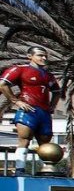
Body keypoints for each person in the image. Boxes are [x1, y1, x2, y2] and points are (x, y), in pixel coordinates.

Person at [0, 47, 60, 176]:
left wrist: (52, 106)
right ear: (29, 56)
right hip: (28, 109)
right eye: (40, 55)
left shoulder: (48, 75)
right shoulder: (20, 69)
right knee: (24, 139)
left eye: (45, 56)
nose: (43, 58)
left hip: (43, 112)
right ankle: (20, 169)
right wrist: (16, 101)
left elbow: (57, 91)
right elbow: (3, 84)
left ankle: (47, 170)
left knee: (45, 141)